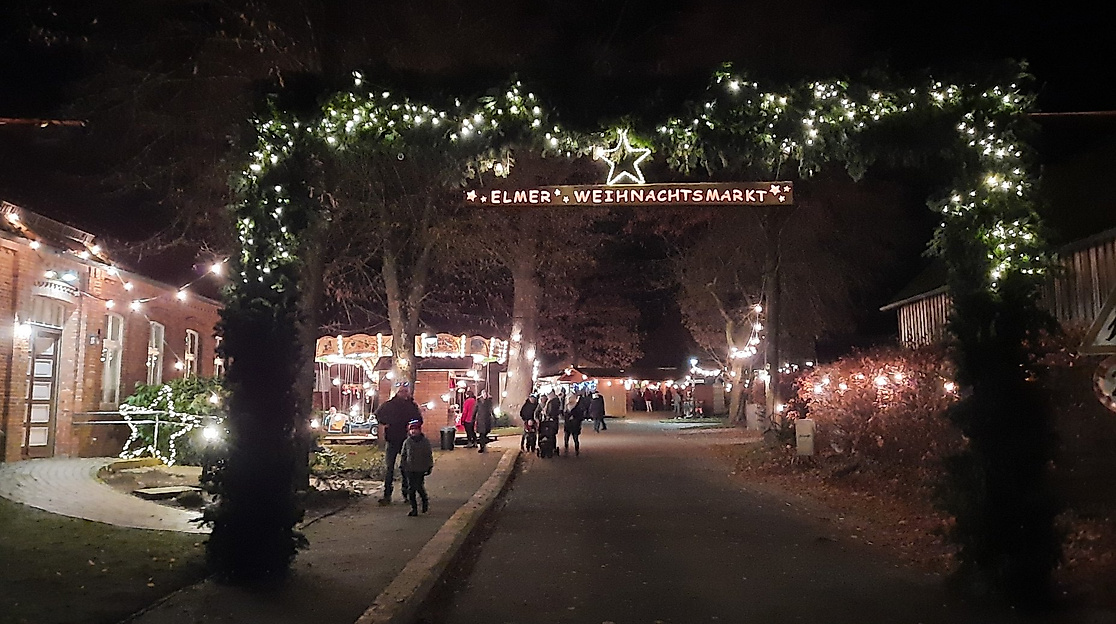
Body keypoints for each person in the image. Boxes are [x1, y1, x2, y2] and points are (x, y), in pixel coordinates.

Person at [375, 383, 421, 505]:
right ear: (398, 392)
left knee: (406, 467)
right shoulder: (390, 405)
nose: (404, 394)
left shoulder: (411, 406)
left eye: (406, 391)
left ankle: (406, 493)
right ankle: (388, 494)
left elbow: (418, 419)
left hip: (406, 439)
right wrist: (386, 422)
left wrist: (412, 426)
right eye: (402, 391)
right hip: (393, 438)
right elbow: (378, 414)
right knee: (390, 467)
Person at [400, 419, 434, 516]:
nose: (413, 431)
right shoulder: (407, 442)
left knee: (419, 487)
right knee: (411, 489)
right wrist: (402, 465)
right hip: (410, 469)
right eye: (411, 429)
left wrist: (429, 466)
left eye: (415, 429)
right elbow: (404, 454)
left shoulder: (425, 442)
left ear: (419, 430)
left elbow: (428, 455)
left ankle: (424, 502)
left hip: (420, 469)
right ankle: (413, 508)